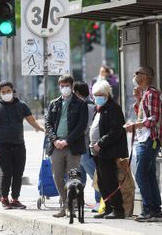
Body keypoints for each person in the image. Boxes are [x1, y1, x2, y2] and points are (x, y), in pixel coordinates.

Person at [0, 81, 44, 209]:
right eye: (3, 92)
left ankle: (15, 199)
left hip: (19, 145)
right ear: (0, 94)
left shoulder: (22, 106)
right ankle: (4, 198)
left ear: (13, 91)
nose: (6, 94)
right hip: (3, 145)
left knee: (18, 173)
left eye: (8, 91)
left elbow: (32, 121)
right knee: (7, 172)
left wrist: (42, 129)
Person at [124, 66, 162, 222]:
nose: (135, 75)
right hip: (144, 139)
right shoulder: (145, 94)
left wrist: (134, 126)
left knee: (141, 175)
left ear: (147, 76)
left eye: (138, 73)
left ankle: (149, 209)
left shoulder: (152, 94)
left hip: (149, 140)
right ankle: (155, 210)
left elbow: (153, 118)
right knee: (148, 175)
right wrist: (137, 100)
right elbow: (142, 114)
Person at [45, 74, 88, 218]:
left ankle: (72, 207)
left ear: (72, 86)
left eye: (66, 85)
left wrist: (67, 141)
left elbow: (81, 126)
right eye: (61, 86)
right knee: (57, 177)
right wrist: (55, 139)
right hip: (56, 146)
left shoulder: (81, 104)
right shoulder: (54, 103)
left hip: (73, 146)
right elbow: (48, 124)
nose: (64, 88)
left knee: (73, 178)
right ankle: (65, 204)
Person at [89, 80, 129, 219]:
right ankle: (107, 207)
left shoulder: (113, 108)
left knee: (110, 179)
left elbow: (115, 130)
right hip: (97, 151)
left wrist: (100, 143)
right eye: (95, 95)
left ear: (107, 94)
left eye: (100, 94)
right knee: (101, 181)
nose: (98, 97)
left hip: (107, 150)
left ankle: (117, 209)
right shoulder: (99, 108)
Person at [72, 81, 101, 211]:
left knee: (95, 175)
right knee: (80, 176)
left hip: (86, 147)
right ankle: (78, 200)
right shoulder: (87, 105)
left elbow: (87, 128)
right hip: (80, 147)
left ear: (77, 93)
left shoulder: (87, 106)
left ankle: (100, 201)